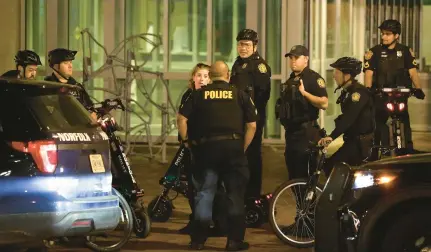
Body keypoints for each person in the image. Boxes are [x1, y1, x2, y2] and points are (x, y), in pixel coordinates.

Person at [177, 61, 257, 251]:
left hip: (206, 151)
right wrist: (242, 147)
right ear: (227, 75)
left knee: (204, 194)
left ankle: (198, 241)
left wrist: (187, 141)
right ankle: (234, 241)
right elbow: (252, 125)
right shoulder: (239, 94)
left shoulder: (198, 95)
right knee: (234, 196)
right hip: (233, 151)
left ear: (210, 76)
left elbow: (181, 118)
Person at [363, 19, 425, 158]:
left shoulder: (405, 51)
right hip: (380, 95)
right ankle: (374, 153)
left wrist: (418, 88)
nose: (383, 37)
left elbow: (412, 71)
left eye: (388, 34)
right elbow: (369, 73)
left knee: (405, 120)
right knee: (378, 122)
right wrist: (368, 89)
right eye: (383, 34)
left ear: (396, 35)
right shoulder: (375, 52)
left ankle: (408, 150)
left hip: (400, 95)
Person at [230, 28, 271, 199]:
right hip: (237, 118)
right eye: (240, 44)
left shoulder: (260, 67)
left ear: (255, 46)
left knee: (252, 156)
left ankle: (252, 196)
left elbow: (262, 95)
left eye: (246, 45)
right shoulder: (238, 63)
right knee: (239, 154)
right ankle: (240, 193)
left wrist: (251, 115)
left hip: (252, 119)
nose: (243, 48)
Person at [277, 45, 328, 181]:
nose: (293, 61)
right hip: (292, 133)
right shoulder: (290, 80)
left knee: (306, 176)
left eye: (296, 58)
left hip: (307, 133)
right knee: (293, 176)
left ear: (306, 59)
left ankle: (310, 203)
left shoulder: (313, 78)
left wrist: (305, 94)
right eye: (291, 58)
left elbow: (324, 103)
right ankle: (301, 203)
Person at [318, 57, 375, 175]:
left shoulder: (358, 93)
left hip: (360, 144)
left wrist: (331, 137)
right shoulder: (348, 91)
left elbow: (349, 118)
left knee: (332, 167)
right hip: (351, 141)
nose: (334, 76)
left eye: (337, 72)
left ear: (347, 75)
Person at [177, 63, 210, 234]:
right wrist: (185, 141)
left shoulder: (212, 96)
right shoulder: (189, 96)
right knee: (191, 186)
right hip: (190, 146)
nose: (202, 79)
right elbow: (181, 119)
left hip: (207, 147)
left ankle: (208, 222)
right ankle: (196, 220)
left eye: (206, 76)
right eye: (199, 75)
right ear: (193, 78)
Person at [44, 48, 96, 119]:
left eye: (71, 62)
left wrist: (92, 113)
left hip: (80, 128)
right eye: (66, 63)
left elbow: (89, 106)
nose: (70, 66)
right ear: (55, 66)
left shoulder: (76, 86)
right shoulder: (47, 87)